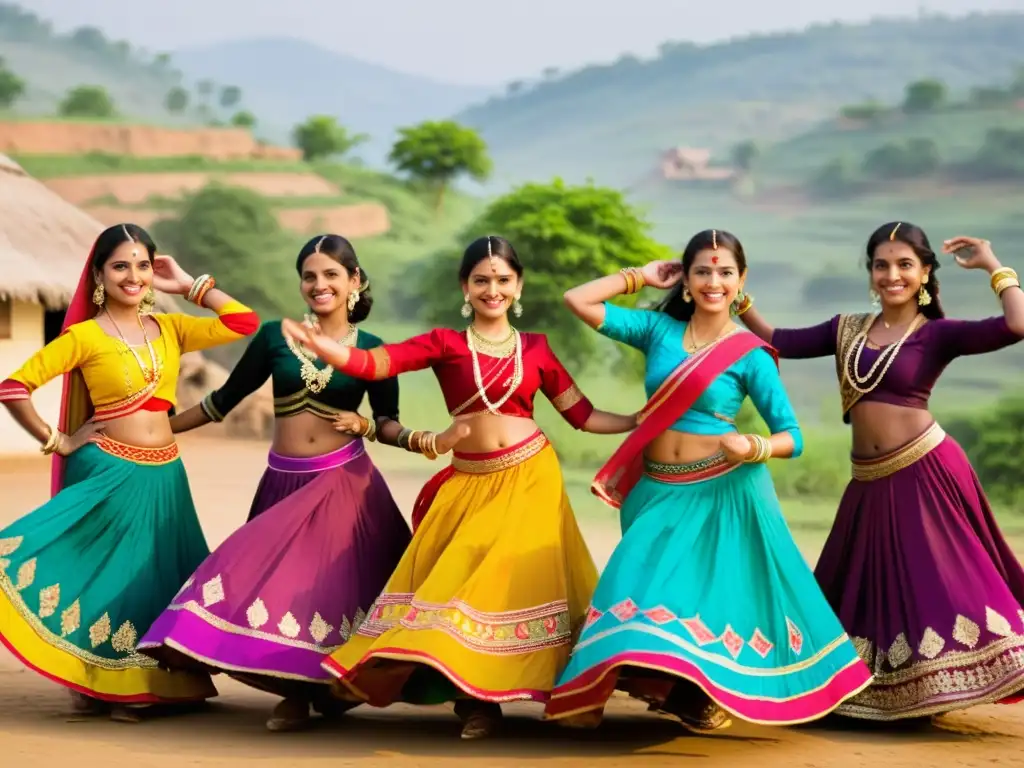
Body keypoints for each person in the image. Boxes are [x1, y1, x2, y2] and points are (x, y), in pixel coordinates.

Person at [280, 235, 637, 740]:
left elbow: (582, 415)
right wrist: (332, 351)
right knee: (457, 592)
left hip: (532, 477)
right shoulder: (445, 343)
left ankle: (506, 700)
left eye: (503, 280)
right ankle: (474, 704)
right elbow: (379, 363)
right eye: (482, 280)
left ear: (519, 287)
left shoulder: (536, 348)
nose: (493, 289)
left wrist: (641, 419)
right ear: (465, 288)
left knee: (506, 589)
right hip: (469, 482)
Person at [544, 229, 873, 732]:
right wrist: (639, 276)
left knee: (699, 601)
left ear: (741, 281)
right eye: (702, 271)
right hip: (656, 489)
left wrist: (753, 446)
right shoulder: (656, 330)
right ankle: (659, 686)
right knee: (633, 590)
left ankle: (696, 694)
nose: (712, 282)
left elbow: (792, 435)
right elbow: (578, 300)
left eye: (724, 272)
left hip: (721, 489)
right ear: (686, 278)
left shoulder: (750, 352)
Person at [137, 234, 469, 732]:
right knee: (270, 588)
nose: (320, 285)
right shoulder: (275, 336)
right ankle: (293, 693)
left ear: (355, 281)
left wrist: (427, 439)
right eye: (310, 276)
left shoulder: (375, 351)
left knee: (325, 593)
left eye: (332, 274)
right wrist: (154, 431)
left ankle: (321, 695)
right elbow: (222, 402)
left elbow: (387, 421)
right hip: (282, 483)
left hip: (343, 484)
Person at [737, 222, 1024, 721]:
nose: (892, 274)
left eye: (904, 264)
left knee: (934, 580)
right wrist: (736, 296)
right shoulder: (844, 328)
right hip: (868, 482)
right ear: (871, 273)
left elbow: (1016, 326)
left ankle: (937, 687)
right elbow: (776, 339)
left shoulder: (937, 334)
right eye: (882, 265)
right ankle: (872, 687)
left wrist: (994, 267)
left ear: (925, 273)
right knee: (861, 585)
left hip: (924, 470)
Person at [0, 223, 259, 722]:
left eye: (143, 265)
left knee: (153, 577)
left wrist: (188, 286)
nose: (134, 275)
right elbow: (14, 387)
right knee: (115, 577)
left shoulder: (171, 329)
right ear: (99, 273)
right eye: (121, 265)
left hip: (165, 475)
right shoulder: (84, 336)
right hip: (109, 469)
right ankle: (110, 684)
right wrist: (59, 441)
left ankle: (148, 682)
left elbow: (243, 322)